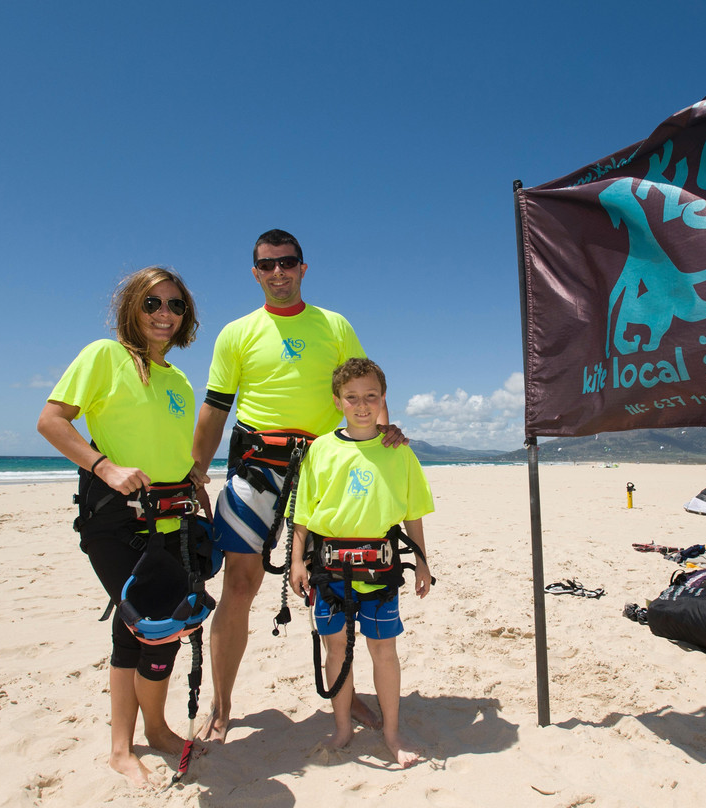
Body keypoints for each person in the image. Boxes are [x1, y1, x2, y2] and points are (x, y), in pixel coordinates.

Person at [192, 229, 404, 742]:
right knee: (239, 586)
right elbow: (217, 406)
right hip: (255, 465)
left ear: (303, 268)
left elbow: (364, 385)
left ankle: (344, 698)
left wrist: (382, 438)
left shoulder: (333, 324)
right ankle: (221, 708)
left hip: (325, 466)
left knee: (337, 584)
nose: (278, 272)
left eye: (287, 263)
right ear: (255, 273)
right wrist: (195, 472)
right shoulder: (236, 332)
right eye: (267, 265)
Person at [37, 266, 207, 787]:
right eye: (153, 303)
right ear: (131, 306)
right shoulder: (103, 356)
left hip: (173, 517)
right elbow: (52, 421)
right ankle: (141, 737)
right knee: (156, 627)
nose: (164, 314)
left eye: (176, 305)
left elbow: (166, 442)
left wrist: (193, 477)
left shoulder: (177, 377)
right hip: (115, 518)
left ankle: (138, 737)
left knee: (137, 625)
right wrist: (104, 466)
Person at [289, 358, 433, 768]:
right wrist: (298, 561)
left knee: (383, 650)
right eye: (352, 397)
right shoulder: (321, 449)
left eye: (371, 396)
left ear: (383, 399)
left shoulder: (398, 451)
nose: (362, 405)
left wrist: (422, 562)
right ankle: (342, 727)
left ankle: (391, 731)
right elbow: (302, 514)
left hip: (381, 570)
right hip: (330, 570)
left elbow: (413, 513)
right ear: (338, 401)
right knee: (336, 649)